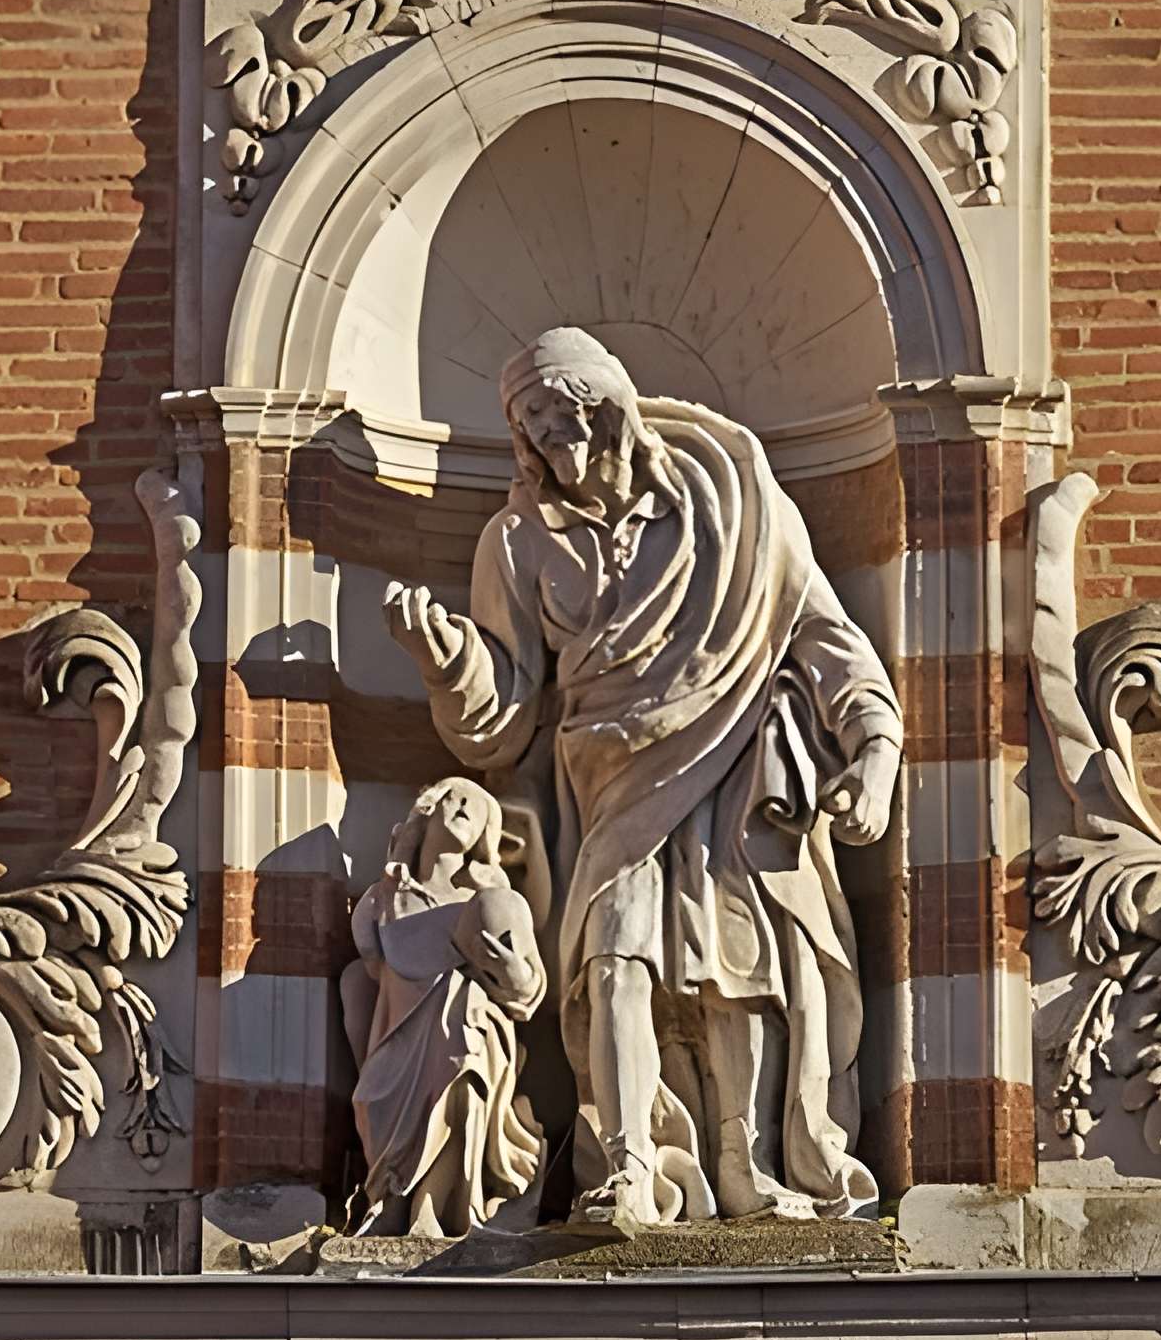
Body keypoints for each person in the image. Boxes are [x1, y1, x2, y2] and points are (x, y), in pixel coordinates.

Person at [384, 327, 901, 1231]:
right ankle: (626, 1165)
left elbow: (822, 635)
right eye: (534, 425)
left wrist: (875, 748)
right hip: (610, 779)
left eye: (564, 413)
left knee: (737, 966)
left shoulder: (735, 502)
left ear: (609, 406)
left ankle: (746, 1162)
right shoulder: (517, 541)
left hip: (734, 757)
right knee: (610, 957)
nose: (554, 438)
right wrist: (448, 661)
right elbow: (501, 719)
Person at [342, 776, 548, 1240]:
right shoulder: (383, 897)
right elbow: (370, 971)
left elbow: (528, 994)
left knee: (462, 1045)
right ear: (427, 813)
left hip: (470, 1031)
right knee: (378, 1096)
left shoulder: (489, 901)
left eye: (476, 805)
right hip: (397, 1040)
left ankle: (435, 1208)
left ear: (484, 837)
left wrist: (513, 971)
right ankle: (393, 1203)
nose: (462, 804)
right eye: (453, 797)